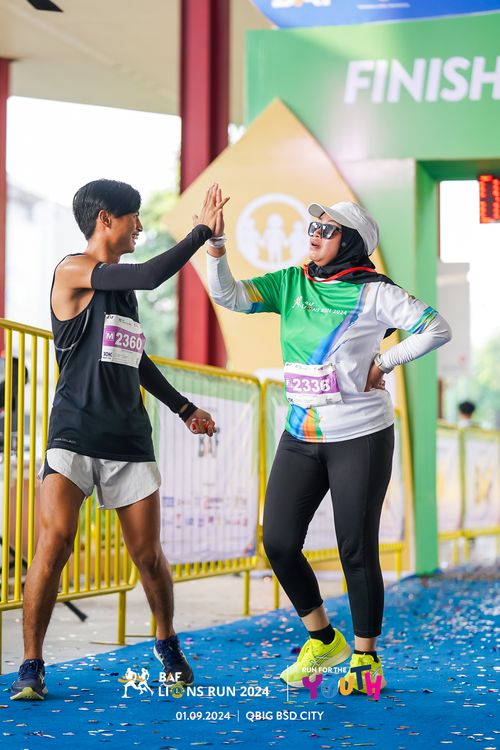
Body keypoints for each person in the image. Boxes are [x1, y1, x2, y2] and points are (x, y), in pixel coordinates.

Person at [206, 194, 451, 694]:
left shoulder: (374, 292)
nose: (315, 234)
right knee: (278, 542)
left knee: (355, 548)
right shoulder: (291, 281)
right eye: (313, 226)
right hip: (301, 433)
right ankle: (323, 640)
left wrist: (385, 362)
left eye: (328, 229)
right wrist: (215, 246)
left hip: (361, 435)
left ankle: (365, 658)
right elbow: (229, 295)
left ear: (352, 242)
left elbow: (436, 328)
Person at [10, 179, 228, 701]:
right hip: (73, 434)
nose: (141, 226)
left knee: (148, 556)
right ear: (105, 219)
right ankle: (31, 664)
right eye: (134, 217)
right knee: (55, 542)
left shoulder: (122, 293)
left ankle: (166, 641)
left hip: (129, 439)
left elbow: (136, 359)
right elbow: (152, 274)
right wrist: (201, 232)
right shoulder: (73, 270)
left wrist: (183, 408)